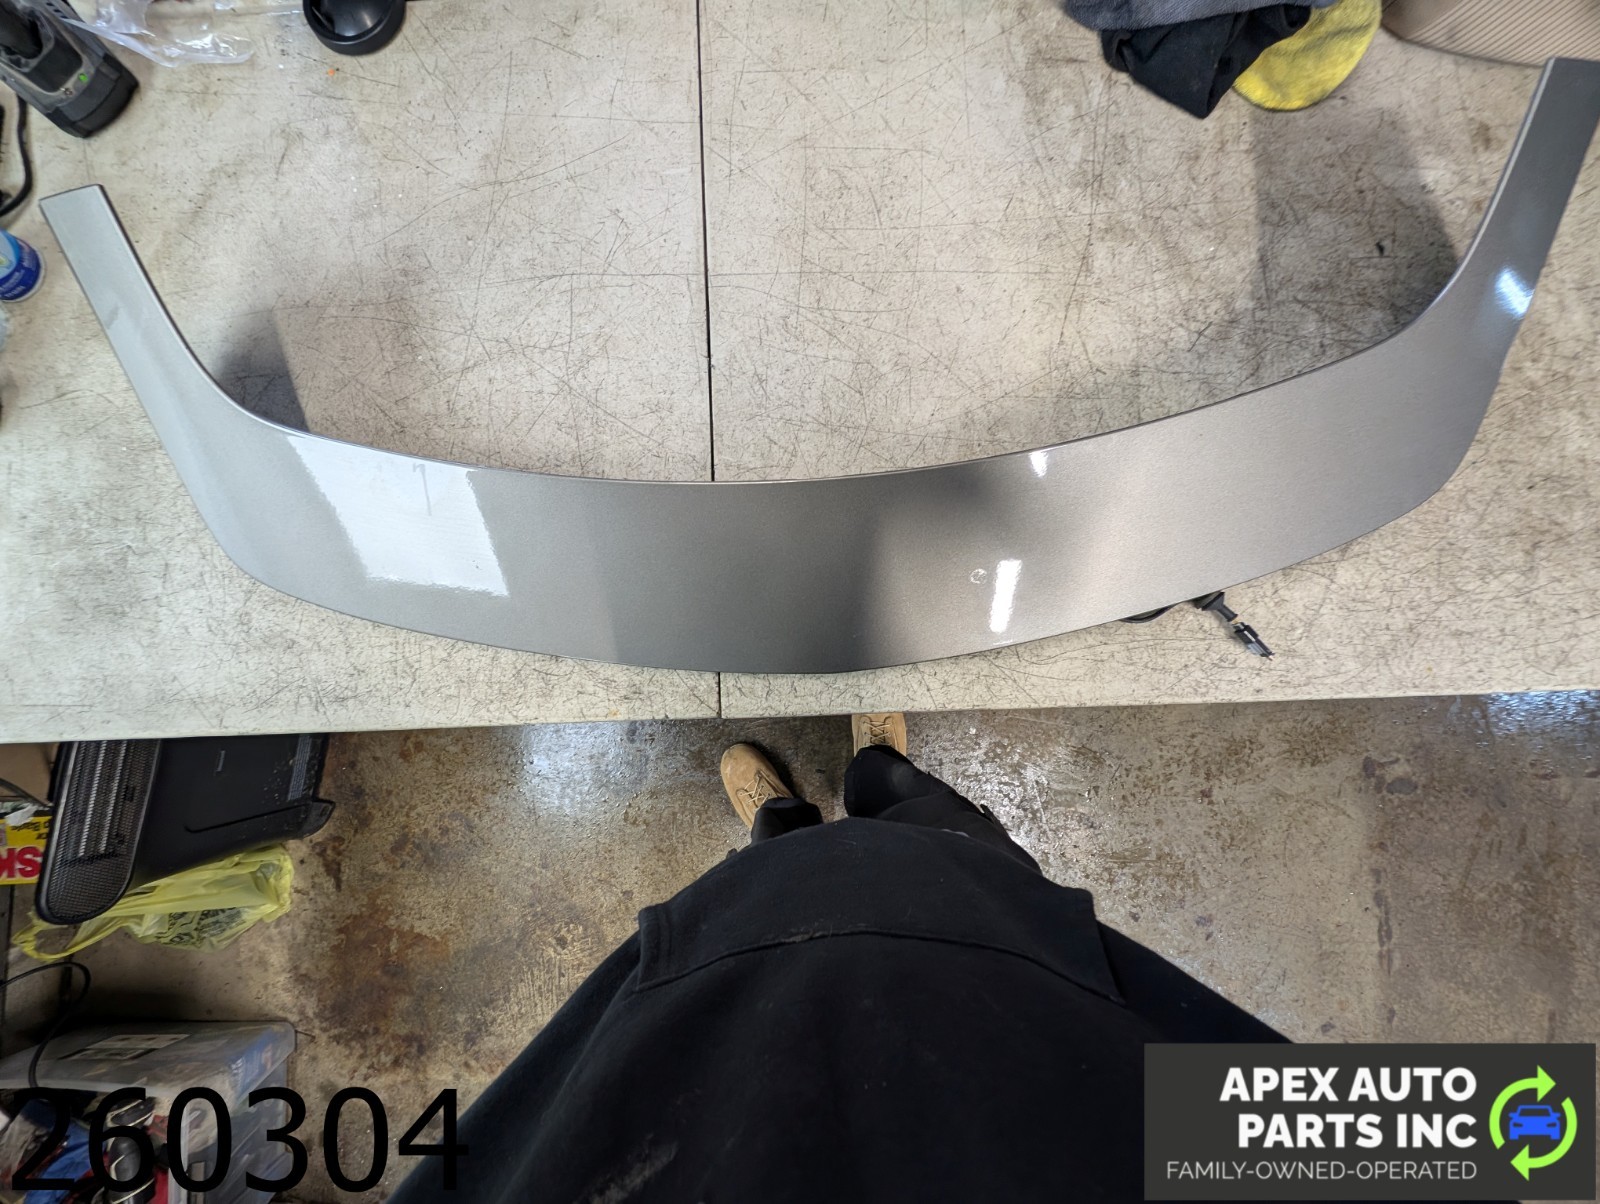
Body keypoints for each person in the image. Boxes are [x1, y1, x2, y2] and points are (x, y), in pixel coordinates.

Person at [392, 714, 1281, 1203]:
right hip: (1083, 1092)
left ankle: (785, 834)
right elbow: (1346, 1140)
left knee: (755, 916)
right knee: (973, 883)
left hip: (693, 1105)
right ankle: (888, 792)